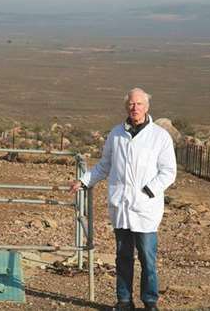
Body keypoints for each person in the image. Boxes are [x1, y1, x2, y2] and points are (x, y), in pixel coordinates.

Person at [70, 88, 176, 311]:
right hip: (121, 207)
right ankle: (124, 301)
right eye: (131, 104)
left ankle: (150, 302)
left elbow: (168, 171)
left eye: (139, 104)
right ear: (126, 106)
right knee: (123, 257)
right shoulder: (116, 134)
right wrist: (84, 180)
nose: (134, 107)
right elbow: (104, 165)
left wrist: (148, 191)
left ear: (147, 107)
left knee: (148, 258)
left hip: (146, 208)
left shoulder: (159, 136)